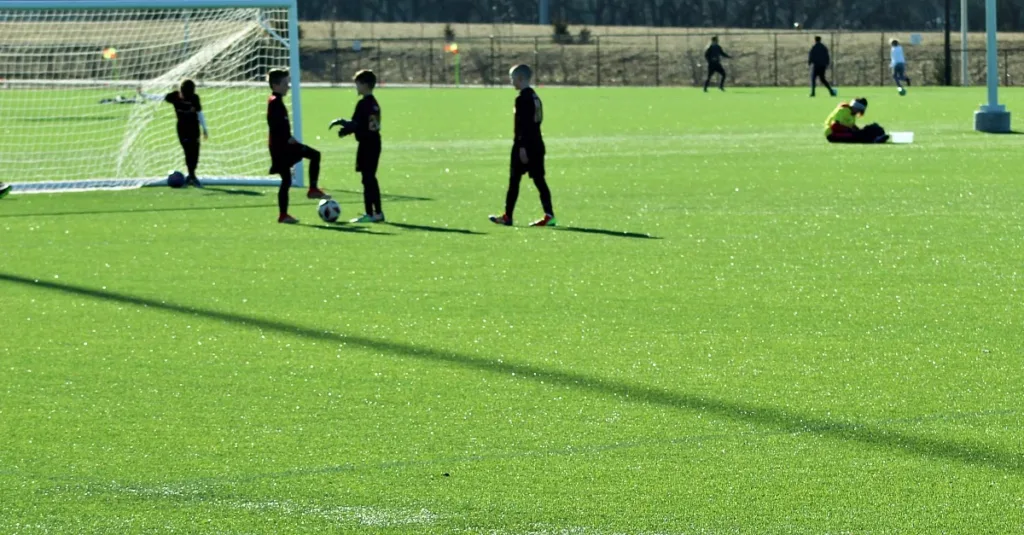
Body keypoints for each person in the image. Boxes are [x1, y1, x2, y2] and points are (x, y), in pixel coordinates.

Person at [489, 64, 556, 227]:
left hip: (524, 146)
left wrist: (522, 148)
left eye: (512, 78)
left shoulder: (522, 99)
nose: (511, 82)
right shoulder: (535, 97)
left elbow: (523, 126)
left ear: (520, 78)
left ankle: (507, 216)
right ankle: (549, 215)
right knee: (540, 180)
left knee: (514, 181)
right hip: (537, 143)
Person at [266, 69, 329, 224]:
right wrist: (288, 139)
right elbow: (275, 126)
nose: (288, 86)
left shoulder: (276, 101)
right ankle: (312, 189)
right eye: (285, 83)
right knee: (315, 155)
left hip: (280, 146)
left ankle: (283, 215)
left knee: (286, 180)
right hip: (282, 147)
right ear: (275, 85)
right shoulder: (275, 102)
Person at [329, 70, 384, 223]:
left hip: (368, 144)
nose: (356, 87)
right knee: (370, 178)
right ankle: (377, 213)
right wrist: (346, 129)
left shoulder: (364, 104)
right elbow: (364, 125)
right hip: (373, 142)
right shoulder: (373, 103)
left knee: (368, 179)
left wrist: (343, 124)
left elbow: (357, 125)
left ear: (365, 85)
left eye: (358, 84)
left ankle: (370, 214)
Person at [162, 80, 208, 188]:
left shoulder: (194, 98)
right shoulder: (174, 96)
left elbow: (199, 113)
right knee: (188, 151)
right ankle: (192, 176)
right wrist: (144, 94)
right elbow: (159, 97)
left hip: (194, 129)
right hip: (182, 129)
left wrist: (204, 129)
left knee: (195, 153)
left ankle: (191, 176)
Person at [824, 97, 889, 144]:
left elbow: (851, 126)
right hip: (832, 134)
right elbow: (835, 126)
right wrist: (851, 131)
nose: (859, 113)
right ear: (856, 108)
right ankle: (874, 139)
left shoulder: (851, 114)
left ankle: (877, 136)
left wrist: (861, 131)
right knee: (857, 136)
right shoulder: (842, 110)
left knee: (868, 129)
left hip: (841, 132)